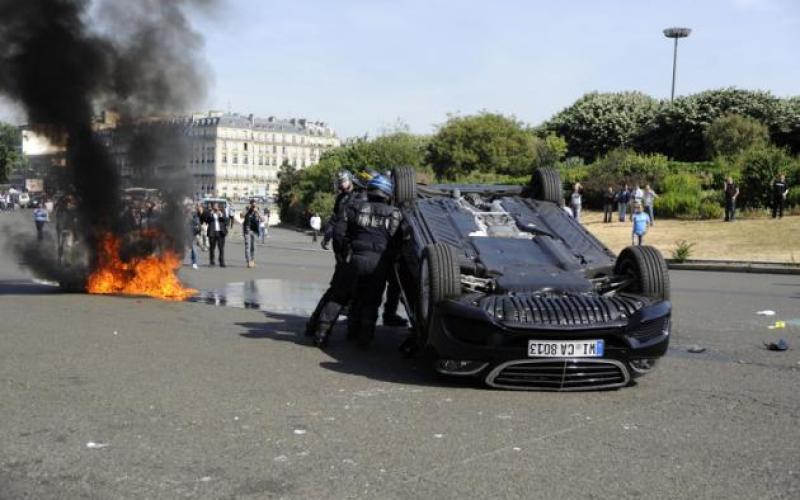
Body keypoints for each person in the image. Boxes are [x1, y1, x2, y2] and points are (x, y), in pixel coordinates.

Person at [312, 174, 402, 348]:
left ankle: (321, 335)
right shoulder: (396, 214)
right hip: (378, 263)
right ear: (388, 194)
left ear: (369, 191)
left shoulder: (354, 207)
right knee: (371, 301)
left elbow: (339, 233)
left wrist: (345, 253)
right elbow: (398, 243)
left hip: (354, 258)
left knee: (338, 297)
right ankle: (364, 339)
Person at [203, 202, 227, 267]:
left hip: (220, 232)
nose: (215, 207)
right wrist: (210, 214)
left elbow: (226, 221)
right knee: (212, 248)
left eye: (217, 206)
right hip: (212, 232)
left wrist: (221, 215)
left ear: (219, 207)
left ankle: (221, 262)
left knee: (221, 248)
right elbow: (206, 221)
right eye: (214, 206)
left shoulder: (222, 212)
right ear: (213, 206)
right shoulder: (210, 212)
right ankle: (212, 262)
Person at [242, 199, 262, 268]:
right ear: (250, 204)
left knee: (254, 247)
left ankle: (253, 260)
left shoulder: (258, 209)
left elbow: (263, 219)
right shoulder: (246, 208)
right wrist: (249, 210)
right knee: (248, 246)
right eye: (252, 204)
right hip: (247, 230)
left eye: (254, 204)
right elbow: (241, 215)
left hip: (255, 231)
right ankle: (248, 261)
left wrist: (257, 212)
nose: (253, 206)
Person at [187, 204, 202, 269]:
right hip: (186, 234)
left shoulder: (195, 216)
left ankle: (194, 262)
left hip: (193, 234)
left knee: (194, 248)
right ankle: (192, 261)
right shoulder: (185, 216)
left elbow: (198, 226)